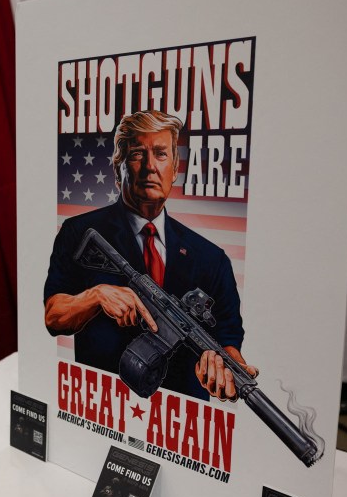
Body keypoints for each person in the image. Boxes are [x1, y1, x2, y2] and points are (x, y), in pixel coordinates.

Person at [43, 110, 256, 401]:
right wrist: (94, 296)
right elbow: (53, 317)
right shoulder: (80, 231)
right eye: (137, 154)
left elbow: (229, 338)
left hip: (181, 416)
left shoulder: (211, 257)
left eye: (160, 154)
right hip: (101, 401)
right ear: (118, 167)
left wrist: (230, 369)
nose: (150, 167)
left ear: (175, 168)